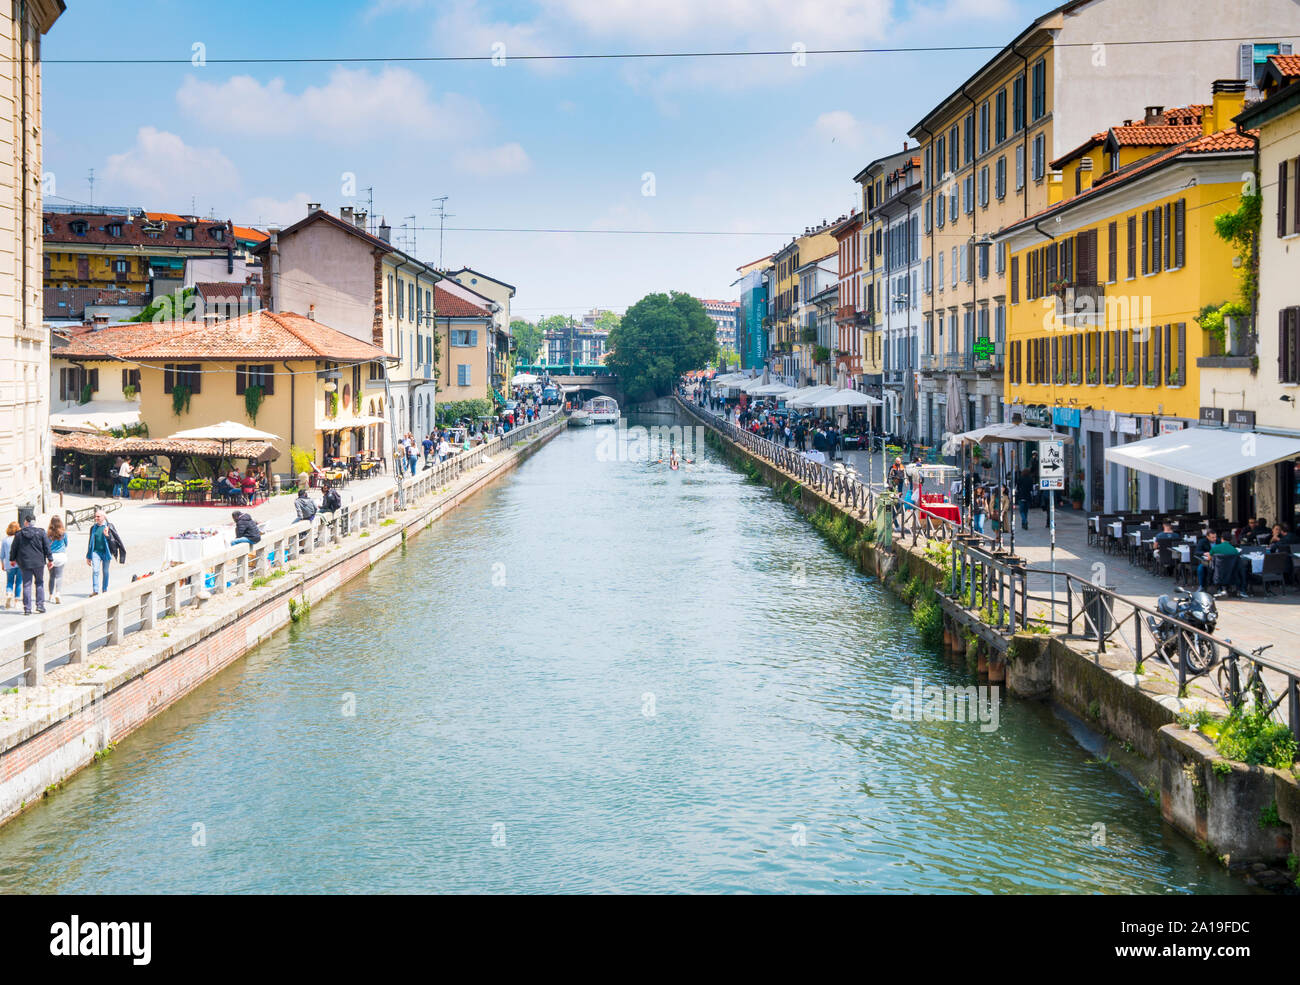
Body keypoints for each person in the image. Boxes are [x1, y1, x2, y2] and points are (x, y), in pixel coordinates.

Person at [11, 514, 53, 615]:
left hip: (25, 563)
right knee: (39, 583)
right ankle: (40, 606)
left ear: (26, 522)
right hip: (38, 562)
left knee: (27, 584)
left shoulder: (19, 534)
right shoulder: (41, 532)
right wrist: (50, 559)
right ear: (34, 522)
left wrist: (12, 559)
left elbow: (14, 548)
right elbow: (47, 547)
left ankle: (27, 608)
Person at [86, 509, 126, 596]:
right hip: (95, 552)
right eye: (95, 516)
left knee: (105, 571)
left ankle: (104, 589)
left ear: (103, 517)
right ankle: (95, 590)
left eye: (98, 516)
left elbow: (114, 541)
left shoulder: (109, 527)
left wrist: (107, 535)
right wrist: (88, 556)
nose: (96, 518)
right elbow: (90, 542)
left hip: (106, 552)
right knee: (95, 571)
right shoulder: (93, 528)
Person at [47, 515, 68, 604]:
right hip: (61, 555)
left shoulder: (48, 533)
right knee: (59, 576)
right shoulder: (63, 533)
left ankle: (51, 595)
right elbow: (66, 544)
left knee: (51, 576)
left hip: (52, 556)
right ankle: (58, 593)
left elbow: (46, 545)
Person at [2, 520, 21, 608]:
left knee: (9, 581)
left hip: (9, 564)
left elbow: (1, 555)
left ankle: (9, 593)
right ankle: (16, 601)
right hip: (19, 564)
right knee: (19, 582)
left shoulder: (5, 540)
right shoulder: (19, 538)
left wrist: (2, 564)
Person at [1015, 465, 1033, 530]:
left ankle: (1024, 521)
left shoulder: (1020, 478)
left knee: (1021, 511)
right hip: (1028, 496)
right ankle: (1024, 523)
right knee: (1026, 511)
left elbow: (1017, 487)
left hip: (1021, 496)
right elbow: (1031, 489)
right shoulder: (1030, 479)